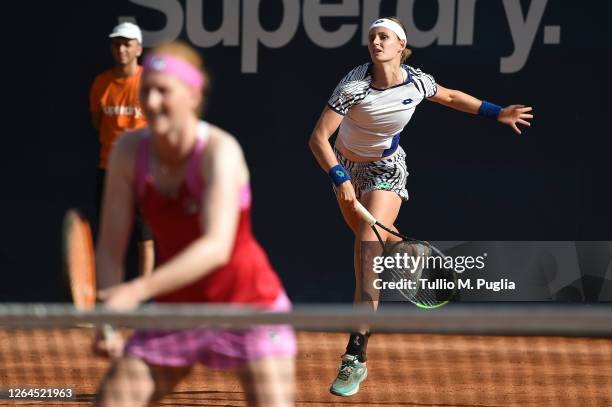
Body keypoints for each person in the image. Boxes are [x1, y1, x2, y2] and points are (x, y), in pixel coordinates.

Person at [308, 17, 533, 397]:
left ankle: (354, 356)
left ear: (400, 46)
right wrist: (338, 177)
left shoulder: (417, 82)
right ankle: (404, 251)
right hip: (345, 167)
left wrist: (497, 112)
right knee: (375, 243)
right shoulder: (353, 86)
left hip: (386, 167)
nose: (376, 43)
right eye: (372, 38)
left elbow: (449, 96)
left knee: (366, 252)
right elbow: (317, 138)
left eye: (384, 37)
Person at [93, 42, 296, 407]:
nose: (151, 103)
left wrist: (137, 291)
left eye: (163, 91)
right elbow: (110, 245)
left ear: (192, 94)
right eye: (146, 91)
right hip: (177, 309)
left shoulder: (220, 151)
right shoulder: (128, 152)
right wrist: (107, 321)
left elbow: (217, 247)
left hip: (249, 305)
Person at [89, 22, 154, 277]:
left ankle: (145, 301)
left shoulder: (149, 83)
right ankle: (109, 298)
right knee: (110, 238)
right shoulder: (101, 84)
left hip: (142, 169)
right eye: (117, 44)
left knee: (145, 236)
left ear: (138, 49)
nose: (121, 50)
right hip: (108, 169)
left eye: (127, 44)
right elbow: (98, 123)